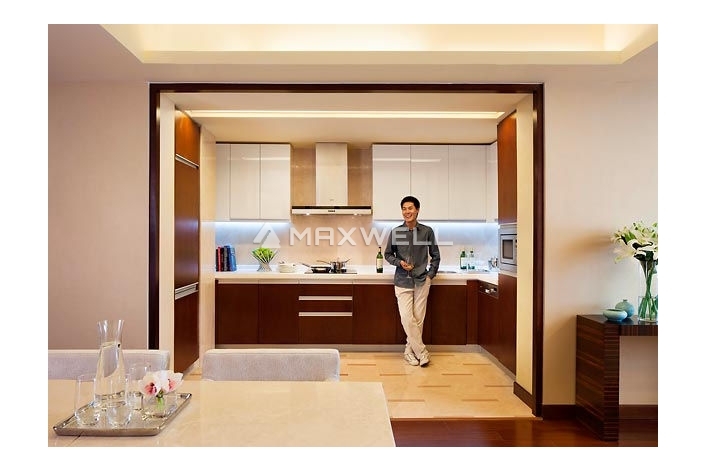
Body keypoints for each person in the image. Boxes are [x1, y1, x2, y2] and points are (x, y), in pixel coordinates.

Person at [384, 195, 441, 367]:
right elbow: (388, 254)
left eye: (410, 208)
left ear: (417, 210)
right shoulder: (396, 232)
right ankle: (422, 352)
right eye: (404, 209)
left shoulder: (427, 231)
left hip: (422, 280)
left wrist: (430, 275)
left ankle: (409, 352)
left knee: (418, 318)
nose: (406, 211)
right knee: (407, 318)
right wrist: (399, 262)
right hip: (402, 280)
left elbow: (436, 256)